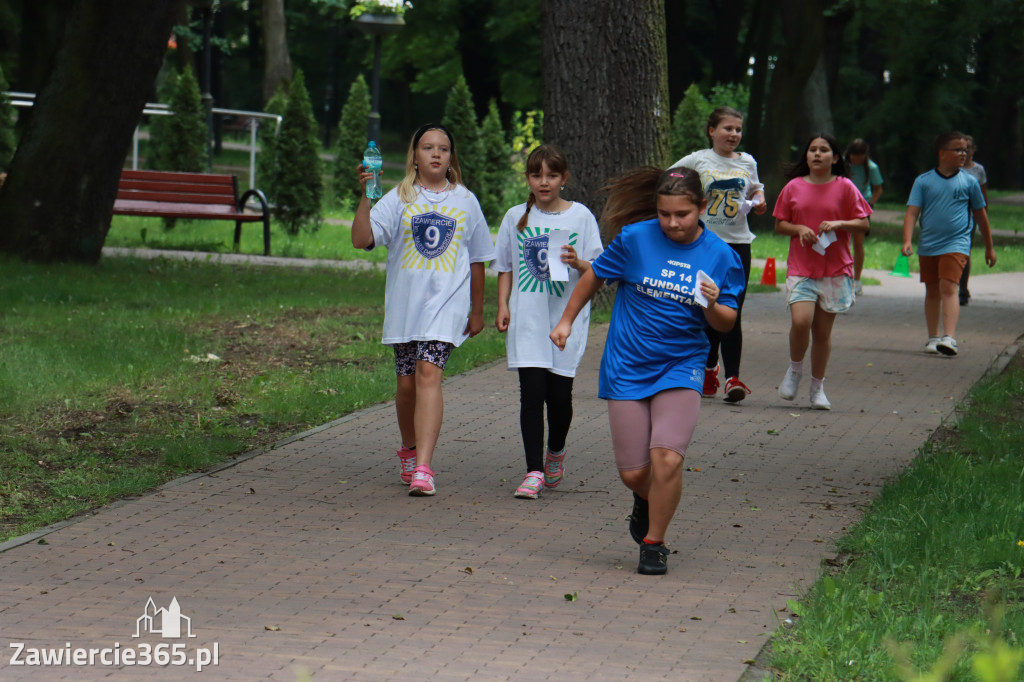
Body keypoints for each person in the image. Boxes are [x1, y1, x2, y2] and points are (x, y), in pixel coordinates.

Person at [550, 166, 744, 575]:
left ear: (702, 208)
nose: (672, 223)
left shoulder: (721, 256)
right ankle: (646, 499)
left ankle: (655, 543)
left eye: (682, 215)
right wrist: (566, 320)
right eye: (664, 213)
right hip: (628, 364)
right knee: (635, 472)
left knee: (667, 460)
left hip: (682, 364)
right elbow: (594, 278)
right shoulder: (636, 239)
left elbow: (725, 323)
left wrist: (711, 302)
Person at [352, 123, 496, 496]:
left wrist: (477, 310)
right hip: (405, 309)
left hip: (447, 306)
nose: (435, 154)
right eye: (428, 147)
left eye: (443, 149)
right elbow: (362, 239)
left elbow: (478, 258)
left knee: (428, 372)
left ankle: (424, 468)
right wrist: (367, 195)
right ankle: (409, 448)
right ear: (414, 156)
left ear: (451, 157)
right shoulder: (400, 198)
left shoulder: (465, 200)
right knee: (406, 385)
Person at [494, 145, 603, 499]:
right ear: (527, 178)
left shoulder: (580, 217)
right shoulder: (515, 217)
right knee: (531, 395)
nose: (544, 182)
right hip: (528, 317)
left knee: (559, 397)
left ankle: (556, 450)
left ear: (564, 179)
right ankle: (533, 471)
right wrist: (502, 305)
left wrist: (577, 263)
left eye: (552, 175)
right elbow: (505, 266)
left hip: (565, 319)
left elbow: (597, 270)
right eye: (537, 175)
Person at [670, 106, 767, 403]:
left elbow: (756, 190)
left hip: (737, 244)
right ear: (712, 131)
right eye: (728, 128)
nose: (734, 135)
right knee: (706, 307)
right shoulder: (698, 160)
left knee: (732, 309)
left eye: (738, 130)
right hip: (705, 245)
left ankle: (732, 378)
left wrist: (759, 200)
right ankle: (709, 367)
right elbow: (670, 178)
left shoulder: (747, 162)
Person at [773, 133, 871, 410]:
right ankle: (794, 370)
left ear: (835, 157)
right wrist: (799, 228)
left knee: (822, 334)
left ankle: (817, 389)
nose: (817, 154)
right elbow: (780, 225)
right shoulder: (793, 187)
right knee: (801, 321)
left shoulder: (846, 187)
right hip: (802, 268)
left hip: (836, 269)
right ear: (806, 156)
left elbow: (863, 224)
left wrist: (840, 223)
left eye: (824, 150)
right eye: (812, 149)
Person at [901, 131, 996, 357]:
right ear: (942, 153)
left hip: (957, 242)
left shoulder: (969, 182)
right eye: (957, 149)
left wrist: (990, 247)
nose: (962, 153)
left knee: (948, 287)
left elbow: (981, 216)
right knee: (932, 290)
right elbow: (912, 213)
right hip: (929, 244)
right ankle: (933, 337)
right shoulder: (923, 181)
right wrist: (907, 239)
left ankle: (949, 338)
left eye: (964, 149)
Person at [844, 138, 884, 295]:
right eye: (854, 155)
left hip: (861, 206)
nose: (857, 159)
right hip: (843, 205)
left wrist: (871, 203)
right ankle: (841, 276)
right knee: (841, 242)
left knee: (858, 244)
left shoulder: (871, 167)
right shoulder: (842, 164)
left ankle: (857, 279)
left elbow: (878, 188)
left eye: (860, 155)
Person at [958, 135, 989, 306]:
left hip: (970, 217)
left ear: (973, 150)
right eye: (962, 149)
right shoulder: (954, 168)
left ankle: (963, 289)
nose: (965, 151)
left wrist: (983, 216)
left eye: (968, 148)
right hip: (953, 216)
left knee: (964, 253)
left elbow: (983, 195)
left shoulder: (978, 170)